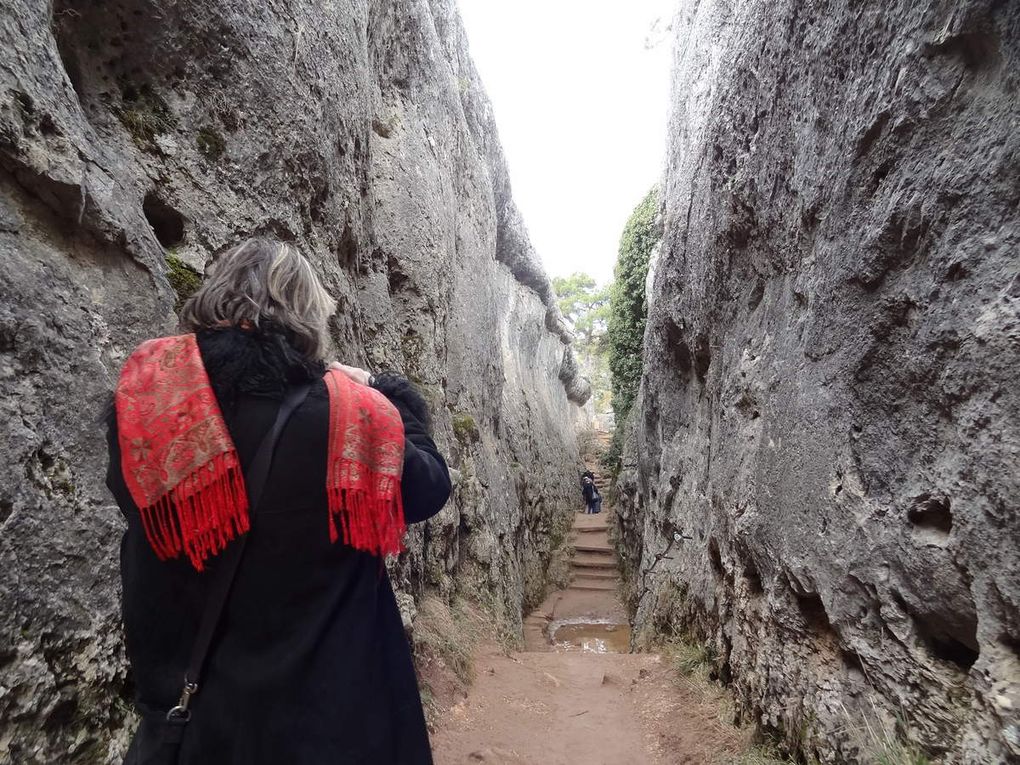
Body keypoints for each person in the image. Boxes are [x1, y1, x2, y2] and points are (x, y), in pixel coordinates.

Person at [104, 238, 451, 764]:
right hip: (324, 721)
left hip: (195, 721)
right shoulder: (353, 415)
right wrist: (391, 394)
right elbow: (429, 488)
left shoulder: (151, 402)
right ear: (306, 315)